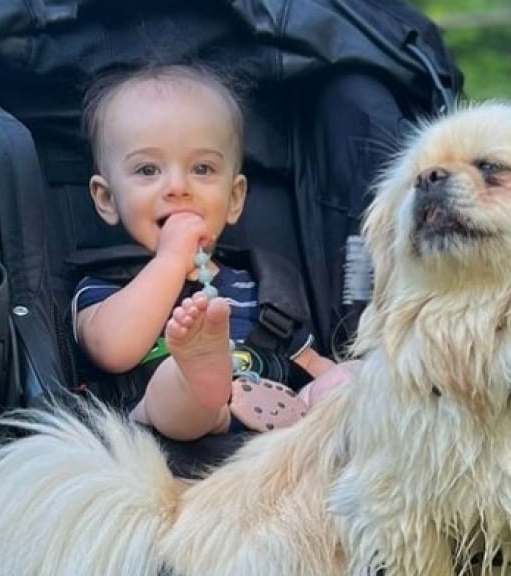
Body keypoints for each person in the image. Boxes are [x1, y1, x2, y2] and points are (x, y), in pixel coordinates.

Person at [72, 64, 351, 441]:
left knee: (353, 377)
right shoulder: (106, 287)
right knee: (176, 386)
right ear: (106, 199)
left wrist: (340, 379)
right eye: (147, 170)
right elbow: (113, 350)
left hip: (277, 435)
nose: (177, 186)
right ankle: (200, 371)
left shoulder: (258, 284)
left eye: (202, 168)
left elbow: (307, 360)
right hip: (167, 432)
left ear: (234, 198)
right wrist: (171, 260)